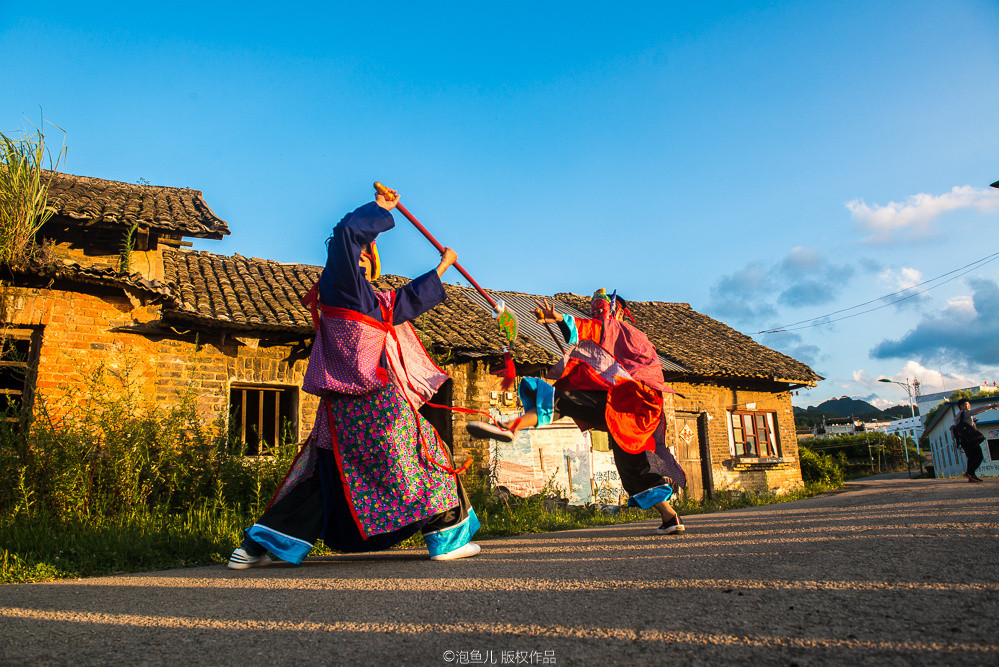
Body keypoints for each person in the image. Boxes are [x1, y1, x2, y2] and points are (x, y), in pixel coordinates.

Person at [228, 189, 480, 569]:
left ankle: (258, 546)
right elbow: (347, 232)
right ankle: (446, 538)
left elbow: (405, 300)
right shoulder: (341, 282)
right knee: (427, 457)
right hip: (377, 405)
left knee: (325, 477)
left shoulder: (364, 296)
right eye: (365, 246)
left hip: (339, 414)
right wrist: (381, 209)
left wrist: (442, 267)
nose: (367, 250)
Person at [466, 290, 687, 535]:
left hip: (631, 402)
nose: (599, 316)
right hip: (634, 410)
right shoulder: (624, 344)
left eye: (601, 311)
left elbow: (595, 330)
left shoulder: (624, 331)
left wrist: (561, 318)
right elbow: (599, 355)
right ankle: (670, 518)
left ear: (619, 312)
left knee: (560, 398)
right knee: (633, 467)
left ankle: (510, 427)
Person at [952, 399, 998, 483]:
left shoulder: (959, 415)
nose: (969, 405)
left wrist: (972, 422)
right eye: (967, 404)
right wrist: (990, 406)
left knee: (971, 457)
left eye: (969, 404)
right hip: (970, 440)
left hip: (963, 441)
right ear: (961, 406)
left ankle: (971, 476)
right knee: (979, 456)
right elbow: (977, 410)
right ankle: (970, 473)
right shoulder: (965, 413)